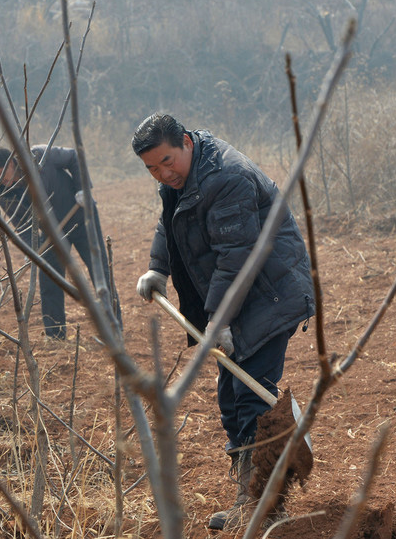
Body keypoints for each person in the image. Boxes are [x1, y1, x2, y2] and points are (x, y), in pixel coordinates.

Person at [132, 113, 315, 531]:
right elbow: (169, 222)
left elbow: (238, 257)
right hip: (240, 297)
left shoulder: (226, 178)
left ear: (185, 142)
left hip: (269, 292)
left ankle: (262, 508)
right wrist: (158, 268)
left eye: (166, 161)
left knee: (253, 400)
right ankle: (248, 496)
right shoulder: (180, 177)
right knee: (233, 398)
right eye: (152, 169)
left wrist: (219, 318)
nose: (162, 173)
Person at [0, 146, 120, 340]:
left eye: (1, 172)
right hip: (52, 233)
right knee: (49, 277)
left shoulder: (38, 157)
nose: (0, 178)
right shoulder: (4, 194)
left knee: (98, 269)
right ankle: (55, 335)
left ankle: (114, 329)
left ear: (11, 162)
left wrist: (82, 188)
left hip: (81, 215)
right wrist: (30, 251)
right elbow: (23, 226)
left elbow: (74, 156)